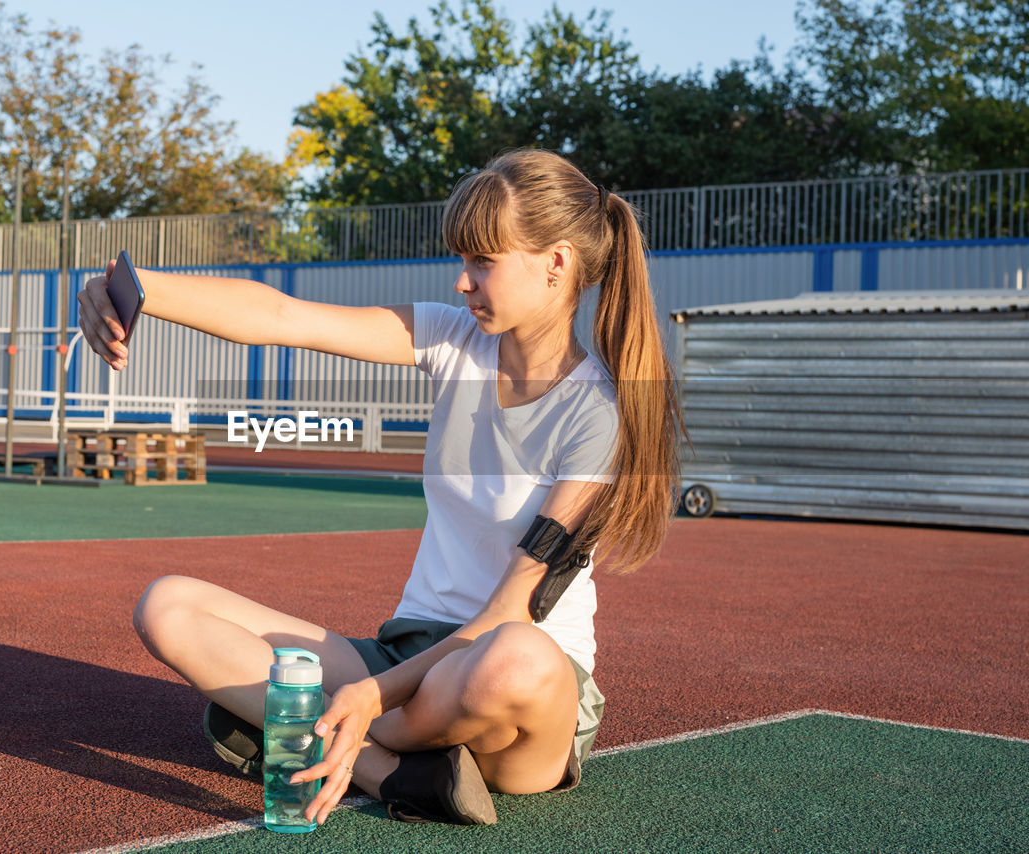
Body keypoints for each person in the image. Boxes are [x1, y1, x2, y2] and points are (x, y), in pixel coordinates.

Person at [77, 148, 682, 827]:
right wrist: (130, 286)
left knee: (513, 659)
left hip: (519, 700)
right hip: (410, 654)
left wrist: (368, 695)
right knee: (169, 605)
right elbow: (284, 318)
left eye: (483, 261)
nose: (462, 282)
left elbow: (513, 610)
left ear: (557, 264)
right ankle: (386, 772)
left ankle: (310, 727)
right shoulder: (453, 341)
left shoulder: (599, 414)